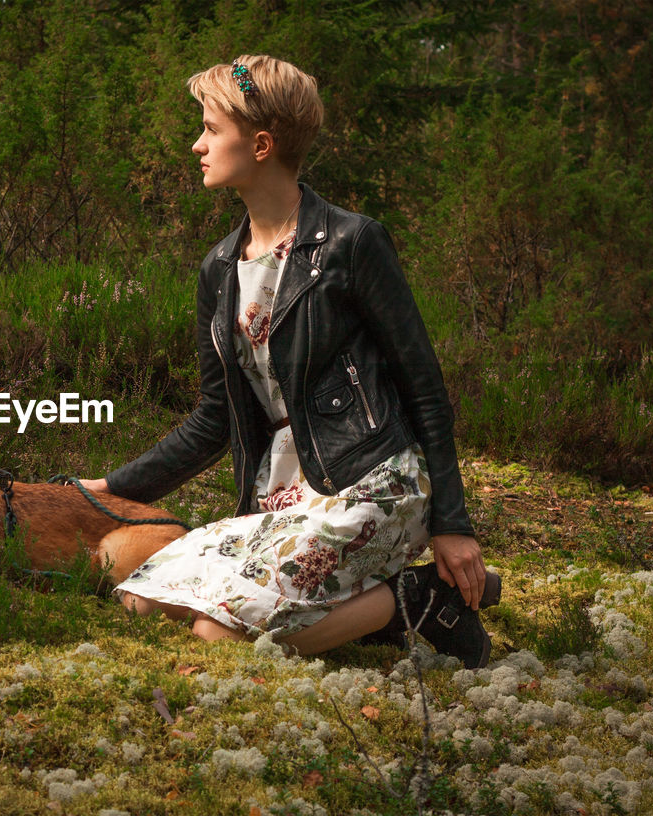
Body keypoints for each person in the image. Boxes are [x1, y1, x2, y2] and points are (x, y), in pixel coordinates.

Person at [80, 55, 499, 668]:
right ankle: (372, 605)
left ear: (261, 144)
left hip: (370, 486)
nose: (197, 145)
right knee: (142, 598)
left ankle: (413, 598)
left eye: (211, 130)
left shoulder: (353, 244)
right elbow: (214, 418)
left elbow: (424, 388)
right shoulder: (220, 270)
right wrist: (111, 488)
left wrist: (452, 524)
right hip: (281, 501)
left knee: (218, 635)